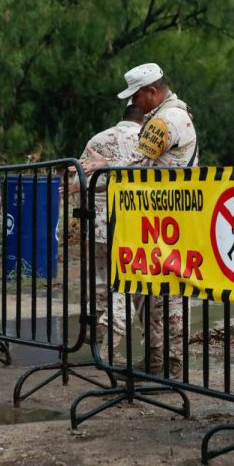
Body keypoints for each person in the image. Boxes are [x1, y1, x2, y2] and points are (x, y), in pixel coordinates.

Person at [80, 62, 198, 378]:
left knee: (146, 291)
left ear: (152, 91)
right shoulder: (176, 115)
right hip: (170, 218)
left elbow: (138, 167)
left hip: (157, 220)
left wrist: (107, 163)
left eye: (137, 96)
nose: (134, 103)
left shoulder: (164, 122)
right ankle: (162, 363)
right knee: (162, 294)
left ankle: (163, 365)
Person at [72, 105, 145, 350]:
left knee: (101, 277)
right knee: (127, 282)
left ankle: (98, 334)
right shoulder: (145, 142)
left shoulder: (99, 139)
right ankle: (110, 331)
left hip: (96, 223)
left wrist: (83, 215)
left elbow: (78, 180)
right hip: (131, 225)